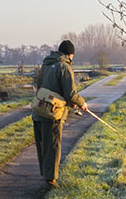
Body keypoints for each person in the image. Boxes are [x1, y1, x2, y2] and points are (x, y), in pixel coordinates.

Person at [32, 40, 87, 186]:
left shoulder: (46, 64)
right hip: (52, 113)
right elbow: (71, 94)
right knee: (53, 146)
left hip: (38, 110)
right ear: (70, 54)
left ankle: (45, 174)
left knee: (42, 146)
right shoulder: (64, 67)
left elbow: (40, 87)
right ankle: (51, 179)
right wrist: (82, 103)